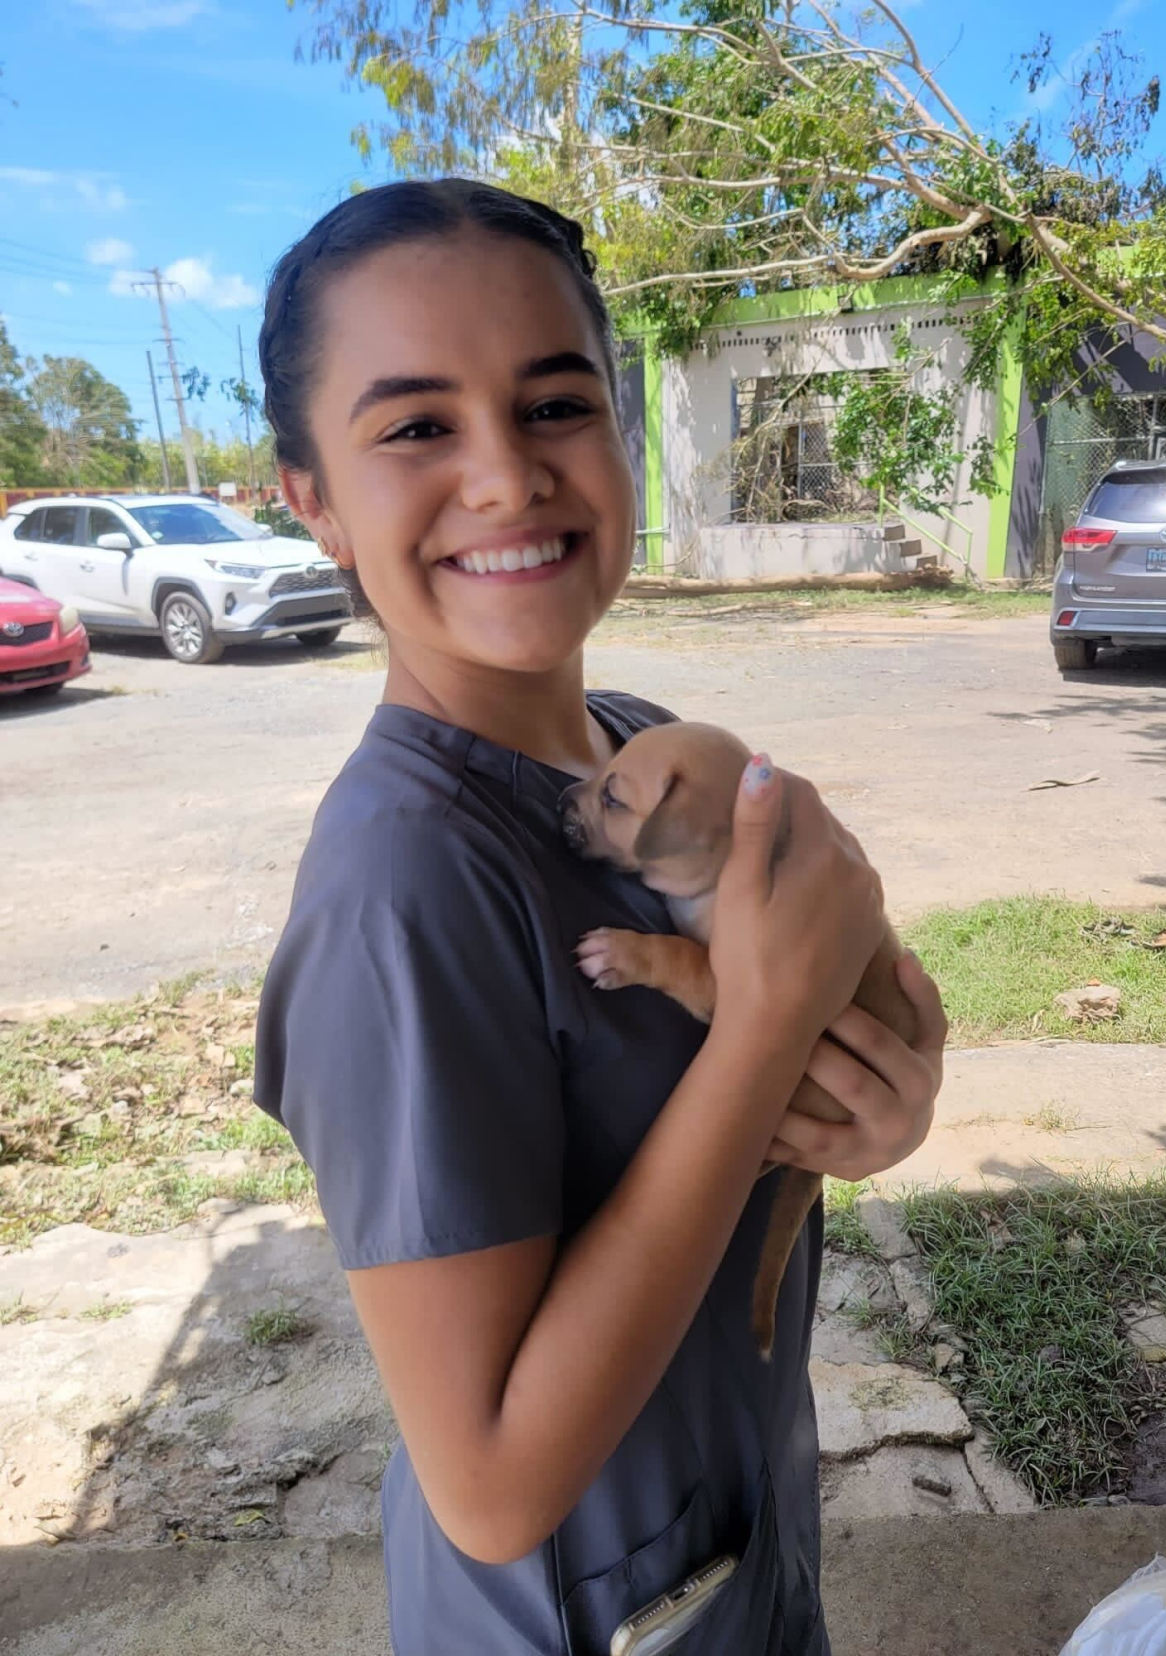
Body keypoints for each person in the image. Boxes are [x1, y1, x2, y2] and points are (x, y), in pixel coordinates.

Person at [253, 179, 946, 1656]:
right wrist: (756, 1032)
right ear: (311, 496)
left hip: (735, 1543)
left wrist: (864, 1110)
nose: (506, 478)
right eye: (417, 426)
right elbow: (490, 1486)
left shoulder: (637, 744)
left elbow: (813, 992)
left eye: (555, 403)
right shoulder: (407, 880)